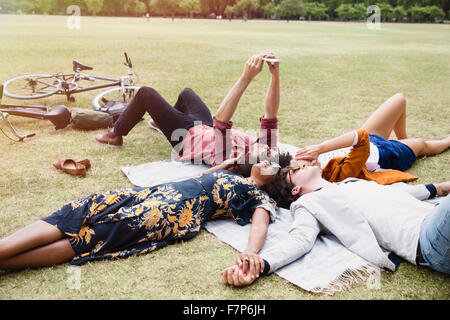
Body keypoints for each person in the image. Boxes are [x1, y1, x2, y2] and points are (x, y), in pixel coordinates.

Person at [0, 160, 277, 271]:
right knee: (86, 206)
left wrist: (251, 252)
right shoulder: (232, 173)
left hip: (173, 212)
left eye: (275, 164)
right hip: (152, 192)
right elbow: (198, 178)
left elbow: (260, 222)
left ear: (277, 182)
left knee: (99, 234)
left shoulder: (260, 197)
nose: (266, 160)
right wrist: (221, 167)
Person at [221, 162, 450, 286]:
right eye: (295, 171)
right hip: (427, 238)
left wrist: (438, 188)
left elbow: (395, 193)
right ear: (295, 190)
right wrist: (261, 264)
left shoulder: (348, 184)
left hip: (435, 216)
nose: (301, 166)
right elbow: (300, 239)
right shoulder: (308, 203)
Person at [95, 52, 285, 171]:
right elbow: (271, 114)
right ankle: (162, 122)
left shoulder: (229, 158)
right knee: (187, 94)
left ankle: (115, 134)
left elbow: (222, 120)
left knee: (145, 93)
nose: (266, 147)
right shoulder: (266, 152)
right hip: (205, 127)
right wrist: (275, 75)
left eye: (264, 153)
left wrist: (246, 78)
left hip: (186, 138)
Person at [295, 93, 450, 173]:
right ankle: (428, 145)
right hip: (384, 155)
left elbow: (359, 135)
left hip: (365, 140)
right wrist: (320, 149)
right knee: (424, 144)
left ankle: (406, 143)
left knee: (399, 100)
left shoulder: (287, 164)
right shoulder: (318, 181)